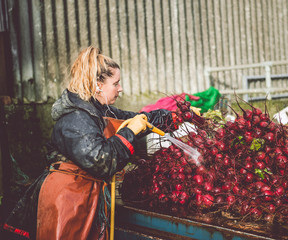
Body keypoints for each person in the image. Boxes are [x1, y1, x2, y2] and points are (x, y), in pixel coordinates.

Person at [3, 46, 197, 240]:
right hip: (66, 200)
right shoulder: (76, 118)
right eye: (116, 83)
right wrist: (130, 132)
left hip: (83, 193)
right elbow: (103, 162)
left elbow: (138, 118)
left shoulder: (98, 110)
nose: (120, 89)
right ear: (97, 85)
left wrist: (175, 116)